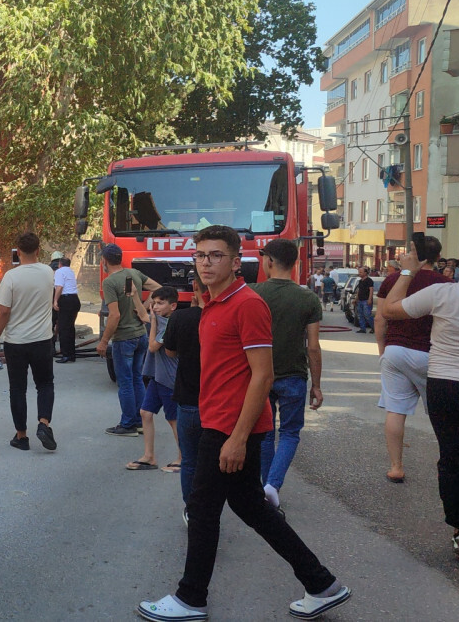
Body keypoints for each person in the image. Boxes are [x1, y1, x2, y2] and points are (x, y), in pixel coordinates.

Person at [137, 224, 349, 622]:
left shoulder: (247, 303)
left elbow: (262, 375)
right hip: (217, 420)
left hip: (232, 427)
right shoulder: (213, 305)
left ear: (237, 262)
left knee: (201, 509)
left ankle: (190, 598)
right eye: (201, 255)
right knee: (251, 506)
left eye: (216, 255)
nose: (206, 262)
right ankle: (321, 584)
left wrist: (236, 438)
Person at [381, 235, 459, 564]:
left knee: (454, 459)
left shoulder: (443, 292)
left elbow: (389, 310)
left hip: (443, 385)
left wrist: (407, 273)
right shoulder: (443, 287)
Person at [251, 239, 324, 510]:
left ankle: (265, 487)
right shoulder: (308, 298)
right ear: (294, 264)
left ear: (269, 261)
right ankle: (273, 485)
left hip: (260, 375)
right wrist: (316, 385)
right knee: (290, 433)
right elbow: (313, 347)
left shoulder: (253, 293)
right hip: (294, 375)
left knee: (266, 434)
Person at [373, 236, 449, 484]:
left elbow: (380, 319)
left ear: (412, 254)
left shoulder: (393, 280)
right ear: (438, 258)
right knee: (443, 414)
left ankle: (396, 467)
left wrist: (382, 349)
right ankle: (449, 464)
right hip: (431, 354)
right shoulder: (445, 283)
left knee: (395, 411)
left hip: (395, 350)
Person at [0, 232, 58, 451]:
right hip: (42, 340)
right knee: (45, 384)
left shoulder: (11, 276)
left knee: (17, 388)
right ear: (38, 250)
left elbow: (3, 311)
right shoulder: (48, 272)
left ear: (18, 251)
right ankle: (44, 423)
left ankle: (21, 436)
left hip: (16, 342)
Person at [96, 243, 161, 437]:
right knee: (137, 380)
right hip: (141, 334)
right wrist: (144, 304)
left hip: (123, 339)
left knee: (125, 383)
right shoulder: (134, 274)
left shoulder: (109, 282)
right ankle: (140, 422)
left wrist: (103, 341)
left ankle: (128, 424)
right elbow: (159, 288)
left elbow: (114, 316)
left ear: (105, 261)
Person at [163, 273, 204, 525]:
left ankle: (193, 508)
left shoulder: (181, 317)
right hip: (223, 402)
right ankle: (211, 507)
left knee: (189, 459)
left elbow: (170, 351)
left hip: (189, 398)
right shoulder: (231, 313)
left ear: (195, 287)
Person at [126, 287, 181, 472]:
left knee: (173, 419)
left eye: (160, 303)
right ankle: (149, 456)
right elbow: (143, 316)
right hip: (157, 377)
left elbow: (152, 347)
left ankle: (183, 458)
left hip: (169, 379)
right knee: (145, 413)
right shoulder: (159, 320)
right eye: (154, 303)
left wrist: (153, 322)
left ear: (173, 306)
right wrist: (135, 296)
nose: (155, 307)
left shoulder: (171, 325)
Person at [54, 255, 81, 363]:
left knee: (63, 328)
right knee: (70, 328)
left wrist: (55, 300)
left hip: (66, 300)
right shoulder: (70, 271)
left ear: (60, 264)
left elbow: (59, 287)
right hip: (75, 299)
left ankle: (65, 355)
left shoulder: (59, 272)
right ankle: (71, 354)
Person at [355, 267, 374, 333]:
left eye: (361, 272)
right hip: (360, 300)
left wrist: (369, 299)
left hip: (366, 300)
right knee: (360, 315)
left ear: (365, 273)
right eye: (359, 272)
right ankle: (362, 328)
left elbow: (371, 290)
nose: (359, 273)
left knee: (367, 315)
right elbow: (359, 290)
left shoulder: (369, 280)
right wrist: (356, 299)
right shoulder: (360, 281)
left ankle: (374, 327)